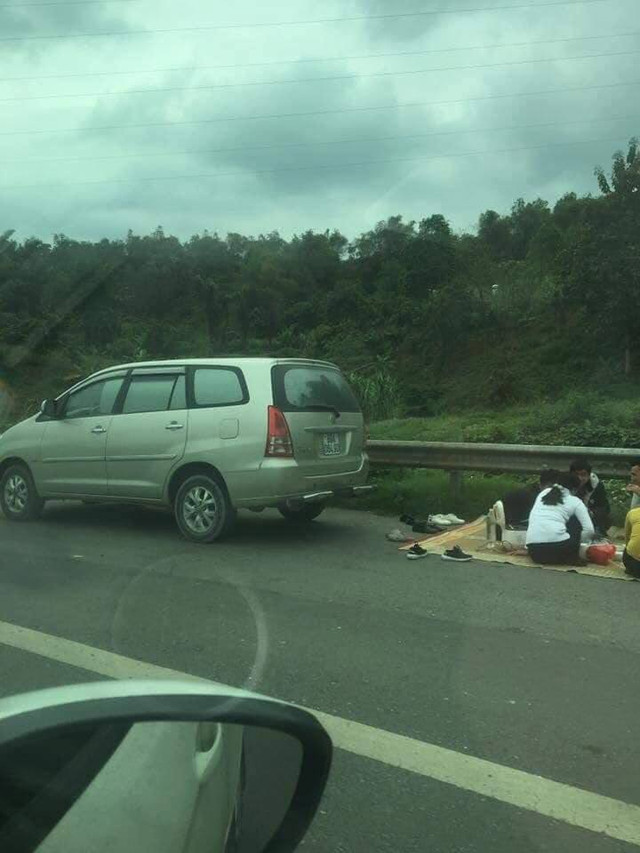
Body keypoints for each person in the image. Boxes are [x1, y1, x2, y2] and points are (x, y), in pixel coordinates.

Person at [526, 472, 595, 565]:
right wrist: (577, 543)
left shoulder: (543, 493)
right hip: (559, 553)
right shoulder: (575, 501)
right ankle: (573, 558)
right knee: (575, 520)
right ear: (574, 490)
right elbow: (589, 530)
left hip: (535, 554)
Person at [569, 457, 611, 537]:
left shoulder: (597, 485)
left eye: (583, 475)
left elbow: (604, 507)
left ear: (589, 474)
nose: (580, 478)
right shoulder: (566, 484)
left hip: (591, 517)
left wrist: (590, 513)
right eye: (577, 475)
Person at [623, 505, 640, 579]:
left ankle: (631, 570)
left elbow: (627, 536)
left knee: (629, 548)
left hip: (634, 562)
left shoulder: (632, 513)